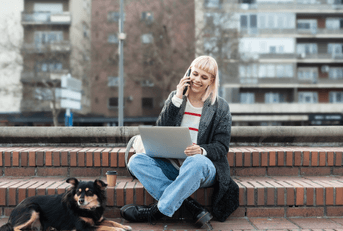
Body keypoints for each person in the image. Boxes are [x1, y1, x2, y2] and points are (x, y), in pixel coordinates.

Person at [120, 56, 239, 228]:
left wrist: (201, 151)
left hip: (202, 168)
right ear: (189, 71)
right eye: (195, 74)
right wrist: (176, 98)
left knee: (196, 162)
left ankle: (156, 212)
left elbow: (221, 147)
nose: (197, 80)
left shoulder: (220, 107)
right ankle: (191, 207)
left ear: (211, 80)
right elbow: (161, 130)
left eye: (204, 77)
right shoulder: (175, 98)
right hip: (173, 166)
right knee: (136, 161)